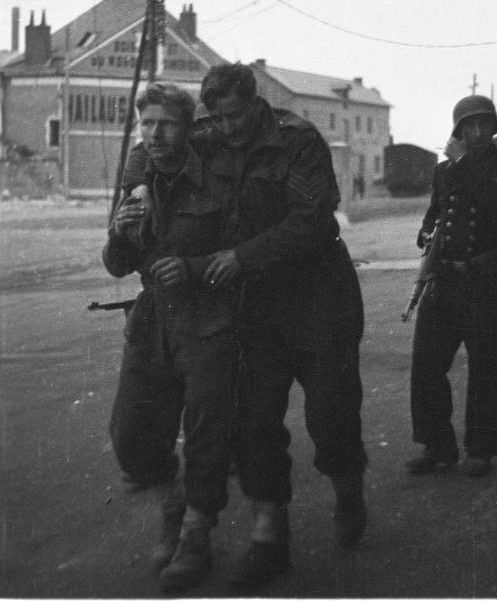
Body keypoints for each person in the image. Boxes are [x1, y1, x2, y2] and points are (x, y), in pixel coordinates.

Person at [124, 63, 368, 593]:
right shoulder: (210, 129)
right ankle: (269, 534)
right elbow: (152, 147)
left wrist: (240, 254)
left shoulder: (296, 140)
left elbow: (312, 221)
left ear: (255, 103)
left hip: (318, 293)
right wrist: (140, 187)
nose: (227, 128)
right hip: (256, 300)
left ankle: (348, 489)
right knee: (254, 420)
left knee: (330, 412)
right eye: (218, 116)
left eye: (235, 115)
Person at [103, 81, 240, 592]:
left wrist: (194, 267)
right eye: (148, 124)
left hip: (207, 318)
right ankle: (177, 494)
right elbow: (116, 265)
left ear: (189, 128)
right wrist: (119, 230)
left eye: (167, 124)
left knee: (205, 431)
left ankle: (191, 533)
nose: (156, 134)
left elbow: (239, 252)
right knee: (131, 438)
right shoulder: (136, 185)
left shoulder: (217, 180)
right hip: (151, 319)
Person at [406, 95, 497, 478]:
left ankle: (480, 451)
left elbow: (496, 206)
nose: (478, 132)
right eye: (470, 125)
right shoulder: (444, 169)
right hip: (444, 280)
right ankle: (437, 444)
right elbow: (436, 210)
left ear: (494, 127)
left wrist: (463, 165)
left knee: (485, 368)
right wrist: (425, 232)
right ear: (460, 130)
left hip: (486, 281)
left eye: (484, 124)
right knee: (426, 366)